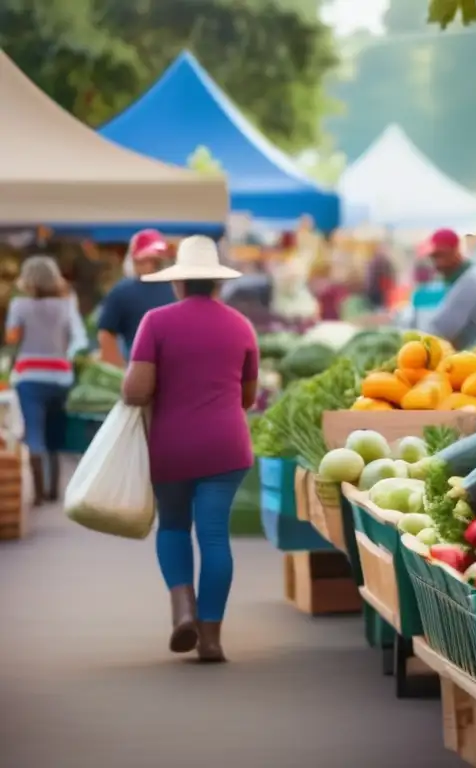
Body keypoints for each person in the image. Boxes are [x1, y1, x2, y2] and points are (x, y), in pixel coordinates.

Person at [121, 236, 258, 663]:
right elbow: (248, 398)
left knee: (175, 527)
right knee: (215, 536)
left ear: (178, 283)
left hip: (172, 447)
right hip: (226, 447)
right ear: (216, 284)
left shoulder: (156, 322)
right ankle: (212, 637)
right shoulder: (241, 325)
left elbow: (136, 391)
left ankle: (184, 611)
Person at [4, 256, 77, 504]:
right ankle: (55, 490)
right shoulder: (66, 306)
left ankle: (38, 494)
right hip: (60, 376)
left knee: (34, 432)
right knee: (54, 432)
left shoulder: (19, 305)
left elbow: (12, 338)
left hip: (30, 376)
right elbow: (77, 340)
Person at [97, 229, 176, 367]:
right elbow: (106, 335)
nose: (150, 264)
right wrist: (120, 371)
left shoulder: (176, 288)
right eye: (145, 259)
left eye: (154, 259)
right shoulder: (122, 291)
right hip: (141, 370)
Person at [422, 228, 476, 350]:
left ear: (456, 251)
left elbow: (439, 330)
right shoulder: (464, 277)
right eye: (434, 257)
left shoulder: (472, 281)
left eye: (442, 255)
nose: (437, 263)